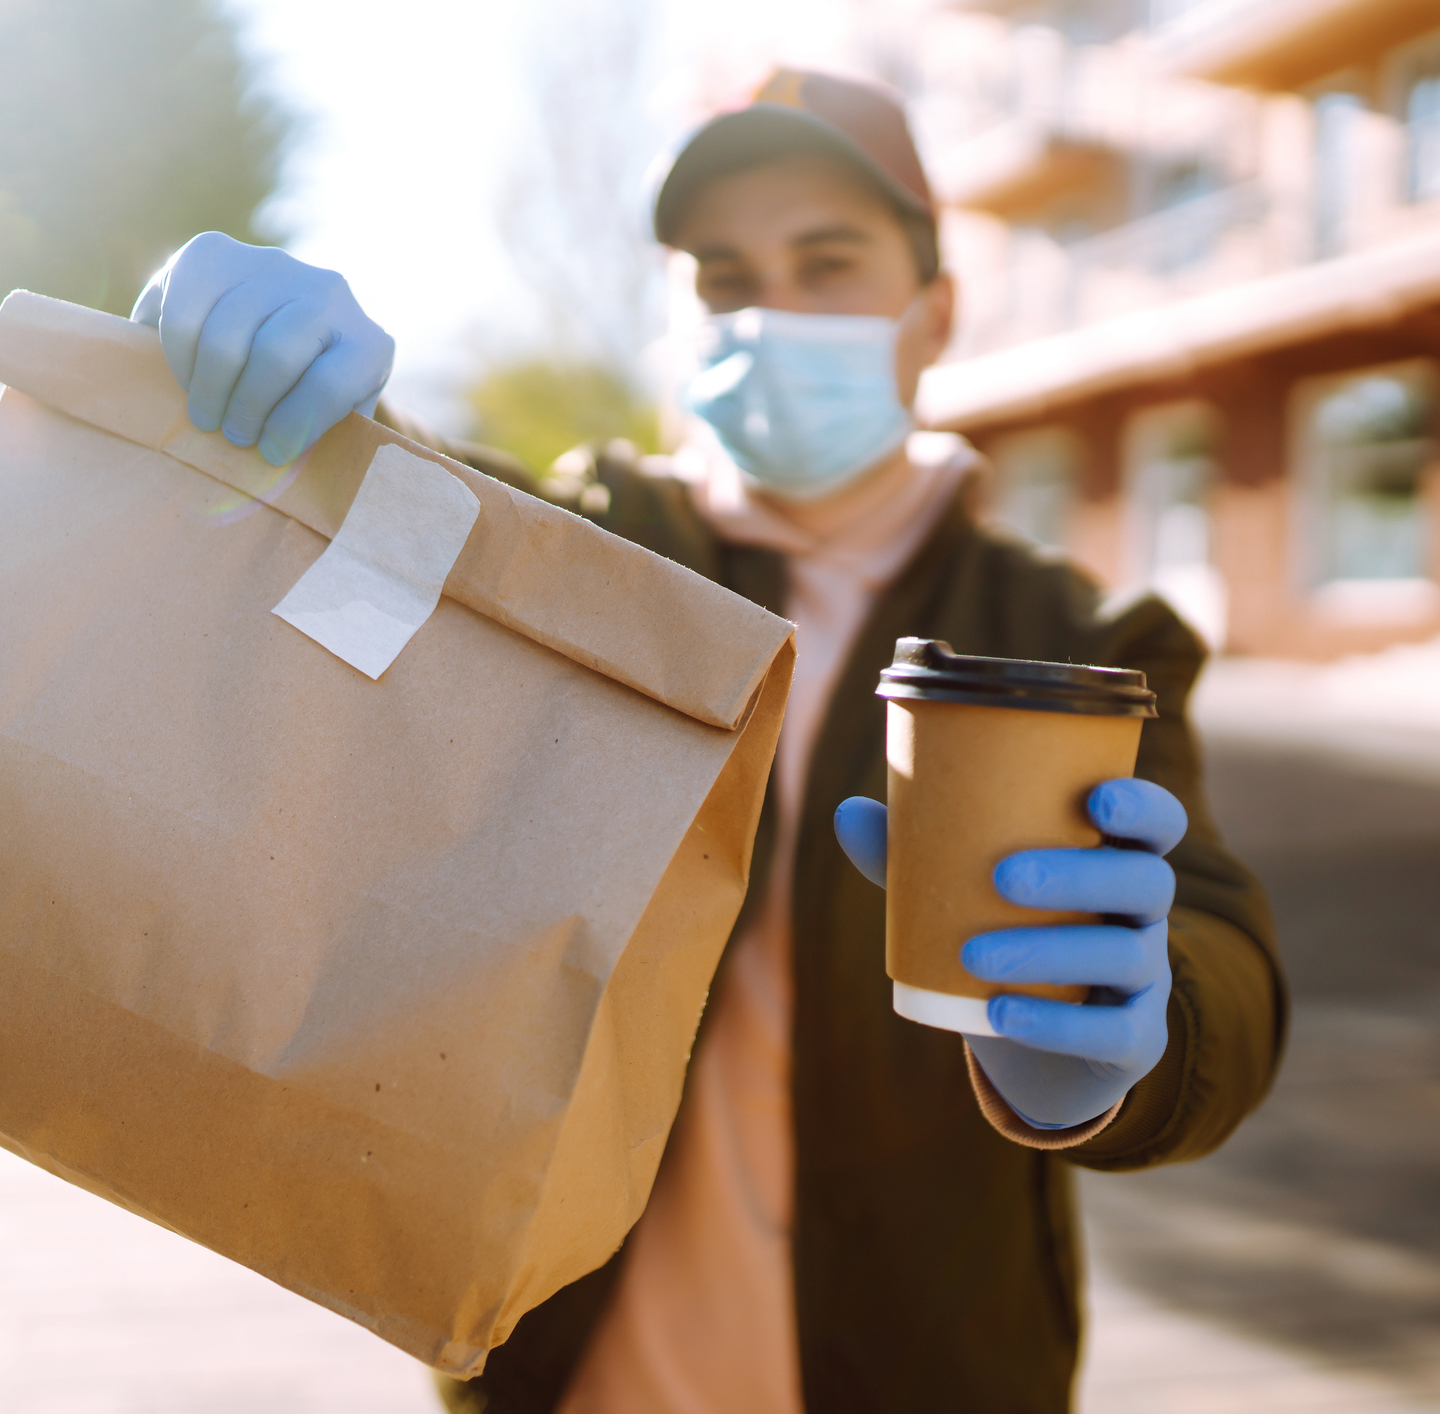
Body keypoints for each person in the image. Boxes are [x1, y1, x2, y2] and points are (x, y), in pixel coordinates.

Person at [131, 68, 1284, 1414]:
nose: (771, 310)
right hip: (566, 1366)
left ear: (936, 312)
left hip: (928, 1369)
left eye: (828, 259)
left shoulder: (1077, 636)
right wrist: (240, 401)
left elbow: (1214, 946)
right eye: (724, 275)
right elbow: (312, 592)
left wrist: (1134, 1038)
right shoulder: (553, 566)